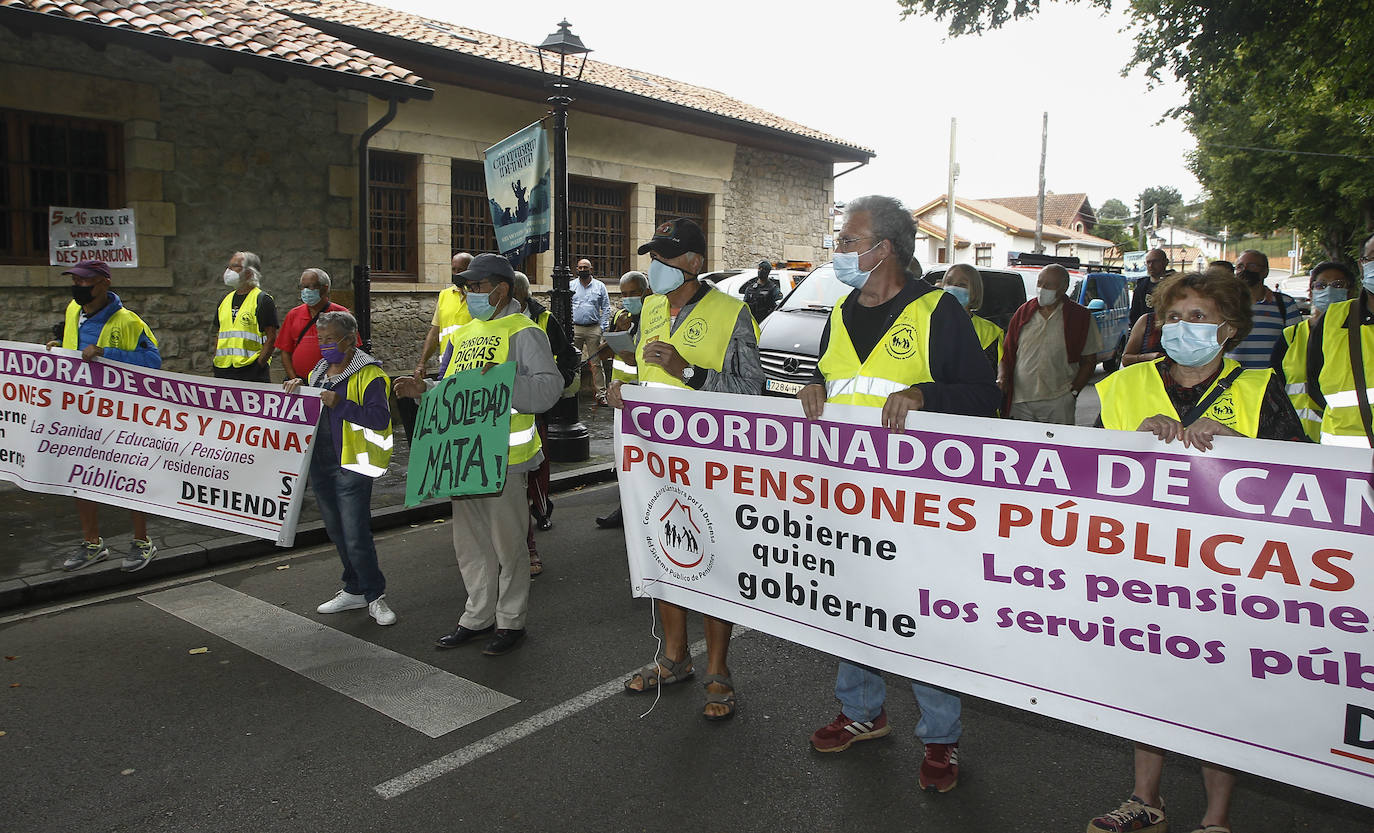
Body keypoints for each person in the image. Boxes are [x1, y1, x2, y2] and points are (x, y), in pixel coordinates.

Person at [797, 196, 1000, 792]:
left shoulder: (938, 311)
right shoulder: (839, 311)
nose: (839, 252)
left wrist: (925, 395)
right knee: (854, 605)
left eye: (848, 241)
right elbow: (834, 377)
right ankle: (862, 713)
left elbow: (984, 396)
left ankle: (941, 739)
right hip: (847, 494)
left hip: (918, 502)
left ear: (883, 248)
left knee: (918, 615)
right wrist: (814, 384)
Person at [1091, 269, 1306, 833]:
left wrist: (1248, 452)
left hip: (1230, 569)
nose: (1182, 327)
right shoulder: (1122, 386)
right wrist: (1131, 441)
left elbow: (1309, 483)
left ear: (1228, 328)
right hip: (1143, 560)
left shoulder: (1260, 389)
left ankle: (1215, 819)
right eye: (1173, 317)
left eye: (1198, 318)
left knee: (1220, 686)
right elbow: (1080, 467)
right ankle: (1145, 800)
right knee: (1150, 681)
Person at [608, 217, 764, 720]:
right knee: (663, 549)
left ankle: (717, 668)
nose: (654, 267)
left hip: (710, 462)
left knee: (711, 558)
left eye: (665, 258)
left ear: (694, 264)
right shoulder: (651, 307)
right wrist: (621, 390)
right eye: (652, 256)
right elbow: (636, 368)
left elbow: (750, 392)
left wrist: (689, 372)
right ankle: (673, 658)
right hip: (654, 458)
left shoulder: (731, 313)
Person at [396, 253, 563, 656]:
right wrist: (424, 393)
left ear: (501, 289)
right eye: (466, 286)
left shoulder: (524, 332)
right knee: (470, 545)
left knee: (508, 546)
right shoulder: (463, 333)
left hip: (505, 459)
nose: (468, 293)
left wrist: (504, 386)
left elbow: (549, 388)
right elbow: (450, 388)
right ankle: (477, 616)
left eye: (476, 286)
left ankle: (510, 621)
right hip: (463, 454)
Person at [47, 260, 162, 572]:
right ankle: (92, 543)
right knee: (80, 476)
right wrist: (59, 348)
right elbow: (74, 348)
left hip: (119, 413)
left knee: (129, 476)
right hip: (79, 410)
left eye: (86, 282)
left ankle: (142, 542)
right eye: (76, 281)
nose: (79, 288)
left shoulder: (129, 321)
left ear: (104, 285)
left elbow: (152, 362)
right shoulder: (74, 311)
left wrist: (105, 353)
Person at [284, 311, 396, 626]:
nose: (324, 345)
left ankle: (375, 595)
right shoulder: (318, 372)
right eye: (320, 339)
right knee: (336, 529)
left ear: (349, 340)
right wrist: (296, 387)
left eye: (330, 339)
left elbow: (379, 419)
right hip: (320, 463)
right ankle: (354, 587)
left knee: (355, 532)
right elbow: (309, 408)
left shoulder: (370, 374)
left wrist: (340, 404)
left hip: (352, 463)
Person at [510, 270, 578, 575]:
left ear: (521, 294)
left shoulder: (545, 320)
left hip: (535, 409)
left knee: (537, 467)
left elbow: (566, 356)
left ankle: (540, 509)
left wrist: (554, 386)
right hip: (503, 413)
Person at [1000, 264, 1102, 424]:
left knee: (1056, 445)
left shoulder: (1080, 317)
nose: (1041, 289)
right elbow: (1007, 353)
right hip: (1021, 400)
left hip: (1058, 401)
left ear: (1063, 288)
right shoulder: (1024, 312)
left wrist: (1073, 392)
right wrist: (1003, 378)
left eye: (1048, 285)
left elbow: (1089, 361)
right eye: (1039, 283)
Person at [1300, 232, 1374, 447]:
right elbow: (1313, 383)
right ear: (1362, 265)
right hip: (1343, 459)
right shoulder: (1333, 318)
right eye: (1372, 257)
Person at [1270, 262, 1356, 441]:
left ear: (1351, 292)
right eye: (1321, 285)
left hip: (1342, 436)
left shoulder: (1361, 335)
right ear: (1311, 292)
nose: (1329, 290)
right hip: (1295, 438)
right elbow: (1273, 392)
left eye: (1338, 285)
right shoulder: (1291, 336)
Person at [594, 270, 650, 529]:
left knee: (646, 461)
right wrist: (616, 333)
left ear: (645, 293)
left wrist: (635, 357)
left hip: (646, 400)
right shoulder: (622, 318)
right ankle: (625, 508)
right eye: (623, 294)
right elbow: (605, 351)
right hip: (621, 400)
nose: (627, 299)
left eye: (632, 294)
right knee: (626, 458)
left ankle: (642, 511)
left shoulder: (654, 318)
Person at [1226, 249, 1300, 369]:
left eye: (1252, 265)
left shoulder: (1285, 304)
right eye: (1240, 266)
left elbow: (1297, 344)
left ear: (1265, 272)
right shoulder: (1225, 303)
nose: (1245, 270)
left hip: (1271, 380)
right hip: (1231, 380)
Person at [276, 268, 354, 382]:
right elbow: (285, 352)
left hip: (331, 383)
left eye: (311, 286)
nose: (306, 291)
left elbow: (352, 350)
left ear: (324, 288)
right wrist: (294, 379)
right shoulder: (293, 314)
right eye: (303, 287)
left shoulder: (341, 314)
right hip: (299, 383)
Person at [212, 251, 278, 382]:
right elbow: (219, 334)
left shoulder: (262, 300)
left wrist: (258, 366)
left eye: (234, 266)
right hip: (223, 370)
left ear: (249, 273)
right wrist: (216, 361)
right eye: (229, 266)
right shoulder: (224, 300)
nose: (228, 270)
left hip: (251, 371)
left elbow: (271, 339)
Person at [938, 263, 1003, 373]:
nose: (953, 287)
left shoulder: (989, 332)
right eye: (949, 282)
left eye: (962, 284)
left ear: (974, 292)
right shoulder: (928, 322)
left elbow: (987, 375)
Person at [572, 258, 611, 404]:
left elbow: (606, 307)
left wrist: (602, 327)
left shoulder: (599, 286)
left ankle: (601, 395)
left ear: (591, 269)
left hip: (593, 328)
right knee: (574, 362)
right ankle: (573, 393)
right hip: (576, 328)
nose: (582, 270)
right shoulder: (571, 286)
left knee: (596, 363)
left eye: (585, 268)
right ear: (577, 269)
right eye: (580, 268)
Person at [1129, 248, 1172, 326]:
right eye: (1148, 262)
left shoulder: (1174, 284)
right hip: (1147, 331)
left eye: (1155, 262)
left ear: (1165, 262)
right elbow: (1135, 313)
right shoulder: (1141, 286)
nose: (1151, 266)